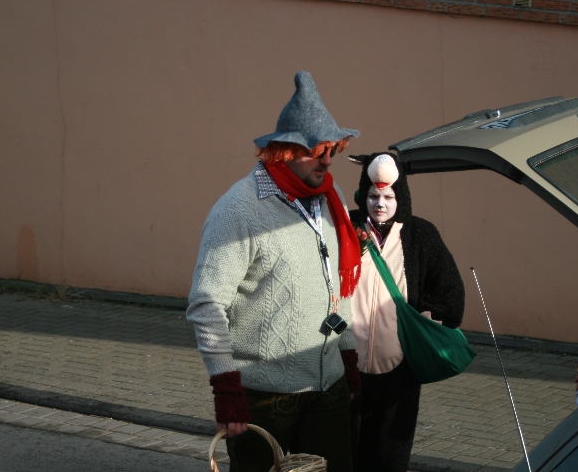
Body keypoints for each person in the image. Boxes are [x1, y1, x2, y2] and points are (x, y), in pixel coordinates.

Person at [185, 71, 362, 472]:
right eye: (318, 150)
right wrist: (226, 390)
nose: (328, 160)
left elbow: (341, 285)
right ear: (285, 151)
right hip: (264, 397)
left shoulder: (328, 197)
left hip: (328, 387)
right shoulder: (239, 210)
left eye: (333, 149)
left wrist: (348, 356)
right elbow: (206, 305)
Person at [347, 152, 465, 472]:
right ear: (363, 195)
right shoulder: (344, 228)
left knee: (388, 460)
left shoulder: (421, 235)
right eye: (373, 196)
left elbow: (450, 296)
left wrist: (425, 321)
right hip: (345, 368)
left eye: (388, 197)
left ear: (401, 198)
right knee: (344, 457)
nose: (380, 204)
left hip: (399, 373)